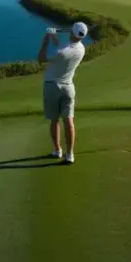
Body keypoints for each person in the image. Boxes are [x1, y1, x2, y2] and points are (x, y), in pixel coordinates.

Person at [38, 22, 88, 164]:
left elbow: (41, 58)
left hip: (52, 86)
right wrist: (54, 37)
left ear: (72, 33)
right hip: (68, 88)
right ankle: (70, 154)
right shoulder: (81, 49)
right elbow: (62, 49)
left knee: (55, 120)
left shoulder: (61, 52)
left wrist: (46, 40)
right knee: (69, 120)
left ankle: (57, 150)